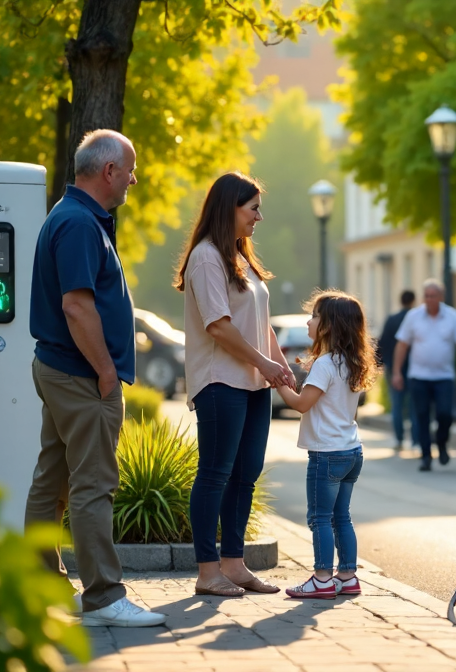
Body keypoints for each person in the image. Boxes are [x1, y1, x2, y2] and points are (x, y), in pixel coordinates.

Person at [25, 129, 165, 627]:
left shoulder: (71, 217)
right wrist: (107, 373)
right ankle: (104, 597)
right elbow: (77, 307)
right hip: (82, 375)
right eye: (130, 169)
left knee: (53, 481)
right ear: (109, 172)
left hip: (62, 369)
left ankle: (42, 589)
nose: (134, 178)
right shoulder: (81, 224)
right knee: (92, 486)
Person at [174, 172, 294, 597]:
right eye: (253, 208)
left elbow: (261, 326)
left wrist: (280, 370)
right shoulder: (207, 257)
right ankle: (208, 572)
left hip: (252, 383)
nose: (259, 216)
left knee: (245, 476)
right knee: (215, 475)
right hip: (220, 382)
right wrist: (264, 363)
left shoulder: (240, 258)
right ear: (230, 208)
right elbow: (220, 328)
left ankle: (234, 565)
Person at [275, 290, 376, 599]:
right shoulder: (352, 362)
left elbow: (302, 404)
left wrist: (279, 383)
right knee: (341, 516)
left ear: (329, 325)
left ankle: (321, 578)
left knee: (319, 517)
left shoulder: (324, 364)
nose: (309, 321)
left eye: (315, 316)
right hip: (351, 450)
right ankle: (347, 576)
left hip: (327, 454)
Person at [391, 279, 456, 471]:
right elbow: (402, 345)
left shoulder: (452, 316)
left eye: (433, 296)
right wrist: (397, 372)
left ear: (441, 297)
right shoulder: (414, 316)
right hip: (419, 377)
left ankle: (441, 443)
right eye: (426, 296)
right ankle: (425, 456)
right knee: (422, 415)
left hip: (444, 377)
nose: (429, 299)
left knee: (445, 414)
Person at [376, 290, 415, 451]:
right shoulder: (415, 319)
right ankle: (416, 440)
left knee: (397, 405)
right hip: (414, 368)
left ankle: (399, 439)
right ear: (413, 301)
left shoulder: (392, 320)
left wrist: (380, 364)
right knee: (414, 404)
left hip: (394, 367)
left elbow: (382, 342)